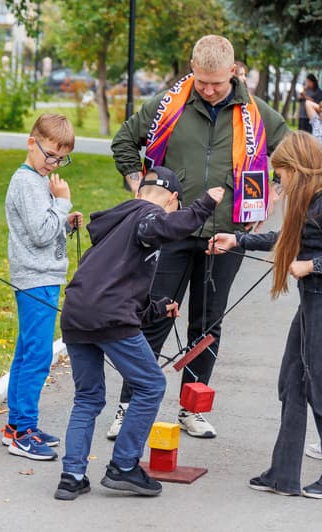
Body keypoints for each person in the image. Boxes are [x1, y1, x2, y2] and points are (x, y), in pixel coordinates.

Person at [110, 34, 288, 440]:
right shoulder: (167, 105)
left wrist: (275, 191)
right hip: (171, 231)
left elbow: (291, 156)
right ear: (192, 67)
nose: (207, 90)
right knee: (152, 317)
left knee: (207, 325)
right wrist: (140, 186)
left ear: (233, 71)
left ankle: (192, 408)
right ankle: (128, 406)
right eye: (201, 81)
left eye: (216, 83)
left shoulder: (258, 114)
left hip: (226, 235)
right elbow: (124, 142)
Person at [208, 131, 322, 499]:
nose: (279, 182)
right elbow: (289, 238)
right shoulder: (308, 201)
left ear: (299, 168)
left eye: (282, 174)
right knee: (291, 382)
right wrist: (238, 239)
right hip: (313, 304)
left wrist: (313, 266)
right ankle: (284, 473)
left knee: (319, 388)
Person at [54, 167, 224, 500]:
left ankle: (71, 476)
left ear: (138, 191)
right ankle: (124, 466)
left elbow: (120, 287)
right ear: (173, 199)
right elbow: (164, 226)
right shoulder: (149, 215)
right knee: (151, 385)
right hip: (109, 318)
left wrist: (158, 308)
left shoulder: (119, 223)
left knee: (88, 398)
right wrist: (205, 205)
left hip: (76, 314)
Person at [1, 114, 83, 461]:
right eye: (50, 155)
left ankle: (18, 425)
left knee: (27, 352)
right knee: (37, 357)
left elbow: (47, 229)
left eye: (61, 158)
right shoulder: (27, 183)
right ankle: (22, 430)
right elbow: (38, 234)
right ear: (31, 142)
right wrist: (62, 202)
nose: (54, 164)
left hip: (42, 276)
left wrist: (64, 221)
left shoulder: (37, 181)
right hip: (37, 279)